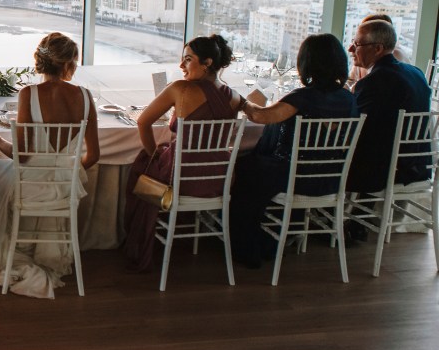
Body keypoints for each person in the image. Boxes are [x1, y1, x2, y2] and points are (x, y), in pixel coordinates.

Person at [0, 32, 99, 298]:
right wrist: (66, 173)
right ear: (69, 64)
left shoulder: (29, 94)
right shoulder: (85, 96)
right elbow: (93, 156)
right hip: (64, 189)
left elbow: (22, 156)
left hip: (29, 187)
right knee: (0, 173)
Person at [230, 33, 358, 269]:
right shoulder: (348, 99)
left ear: (307, 62)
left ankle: (248, 247)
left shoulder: (304, 97)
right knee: (255, 168)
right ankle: (272, 238)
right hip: (330, 177)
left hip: (294, 177)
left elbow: (261, 116)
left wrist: (242, 102)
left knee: (243, 168)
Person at [123, 34, 244, 272]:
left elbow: (143, 123)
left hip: (178, 180)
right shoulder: (235, 97)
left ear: (207, 62)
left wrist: (154, 155)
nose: (181, 66)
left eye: (188, 60)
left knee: (142, 165)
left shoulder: (179, 89)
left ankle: (137, 240)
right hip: (217, 179)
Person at [346, 19, 431, 202]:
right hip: (418, 166)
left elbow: (355, 128)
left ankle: (321, 219)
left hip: (390, 171)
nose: (350, 49)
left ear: (378, 49)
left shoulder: (374, 82)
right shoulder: (416, 72)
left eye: (357, 44)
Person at [347, 14, 410, 88]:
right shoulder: (362, 57)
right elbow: (351, 80)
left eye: (357, 43)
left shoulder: (395, 56)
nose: (350, 49)